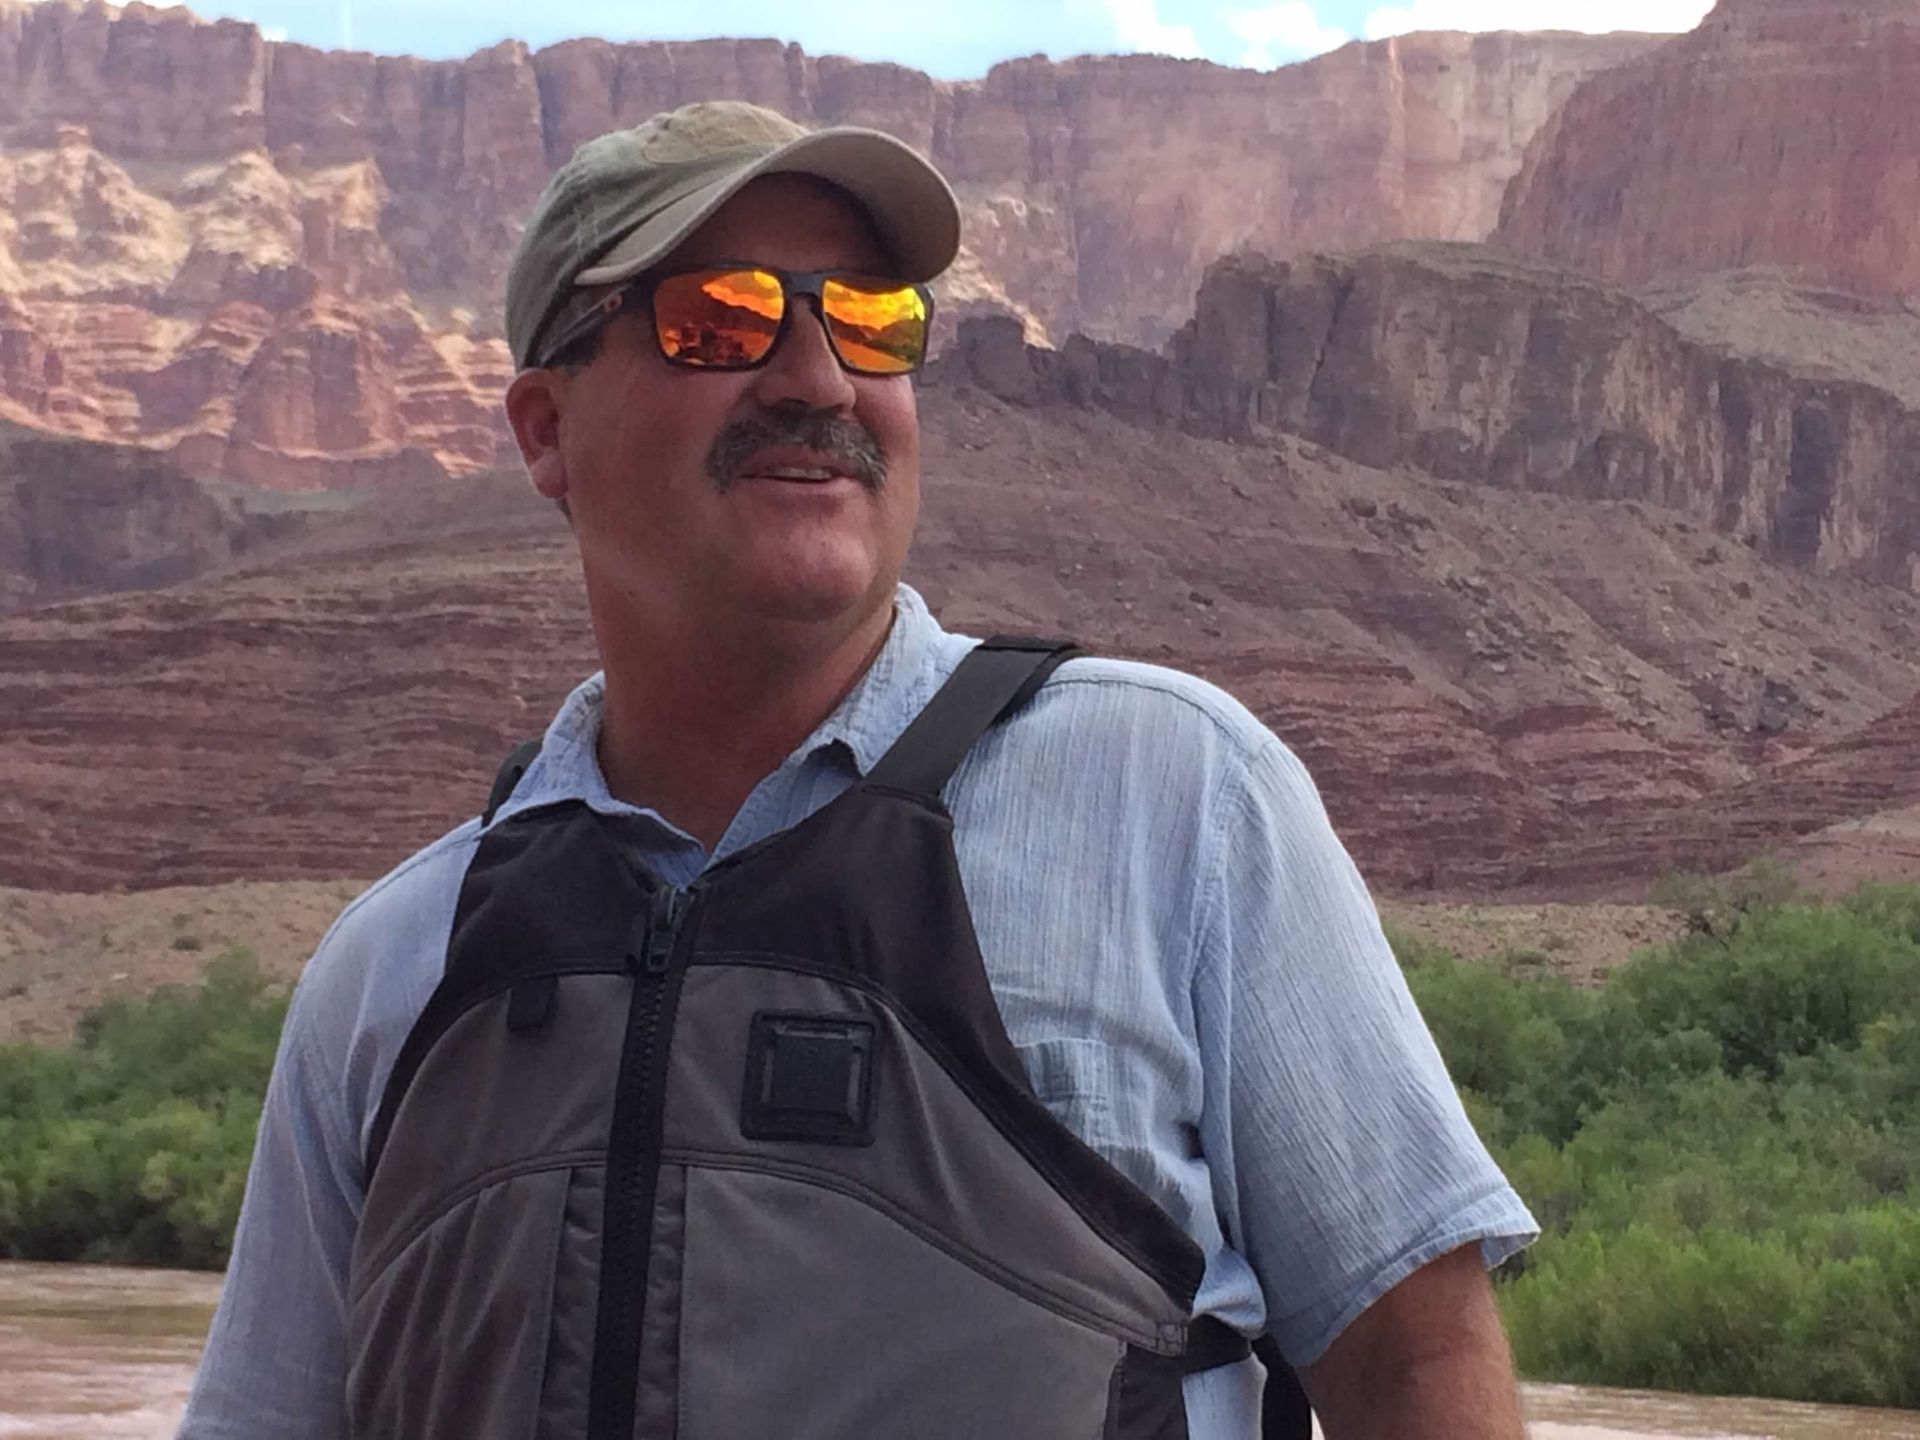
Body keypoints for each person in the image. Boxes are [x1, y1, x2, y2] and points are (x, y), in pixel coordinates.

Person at [178, 100, 1537, 1439]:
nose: (817, 379)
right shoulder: (393, 972)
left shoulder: (1184, 804)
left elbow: (1420, 1371)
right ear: (544, 430)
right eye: (718, 319)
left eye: (869, 320)